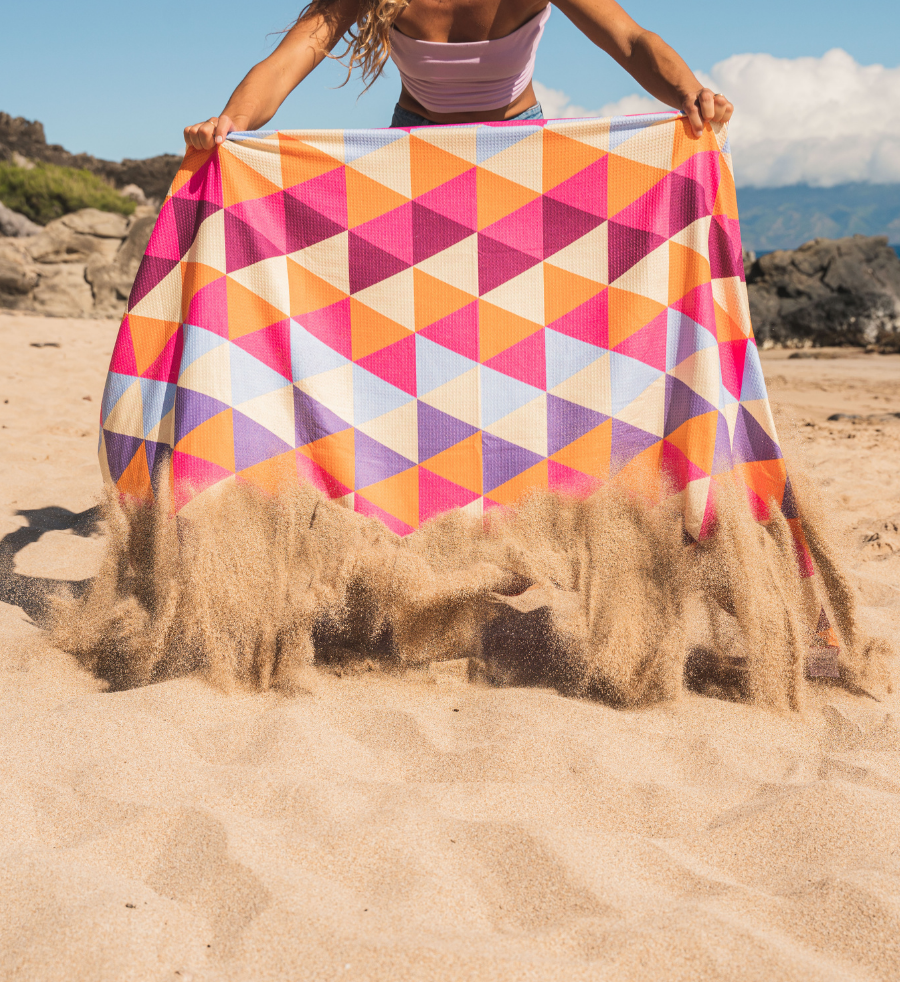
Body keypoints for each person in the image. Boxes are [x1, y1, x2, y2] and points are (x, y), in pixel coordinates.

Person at [183, 0, 733, 148]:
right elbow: (286, 62)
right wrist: (232, 122)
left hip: (519, 143)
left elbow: (631, 41)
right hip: (417, 147)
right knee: (415, 316)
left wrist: (691, 93)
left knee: (525, 312)